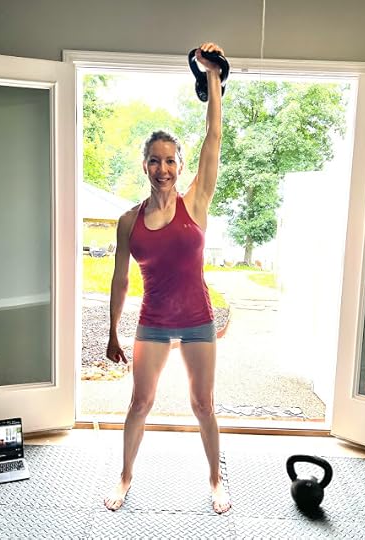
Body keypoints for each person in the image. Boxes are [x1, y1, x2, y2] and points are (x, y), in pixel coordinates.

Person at [104, 42, 231, 514]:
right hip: (154, 322)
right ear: (145, 165)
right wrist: (113, 332)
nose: (163, 169)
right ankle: (124, 476)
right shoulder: (128, 221)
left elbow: (214, 137)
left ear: (180, 165)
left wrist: (213, 76)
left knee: (203, 405)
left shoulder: (195, 202)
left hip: (197, 320)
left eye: (171, 160)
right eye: (155, 160)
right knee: (140, 403)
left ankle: (216, 479)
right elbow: (120, 281)